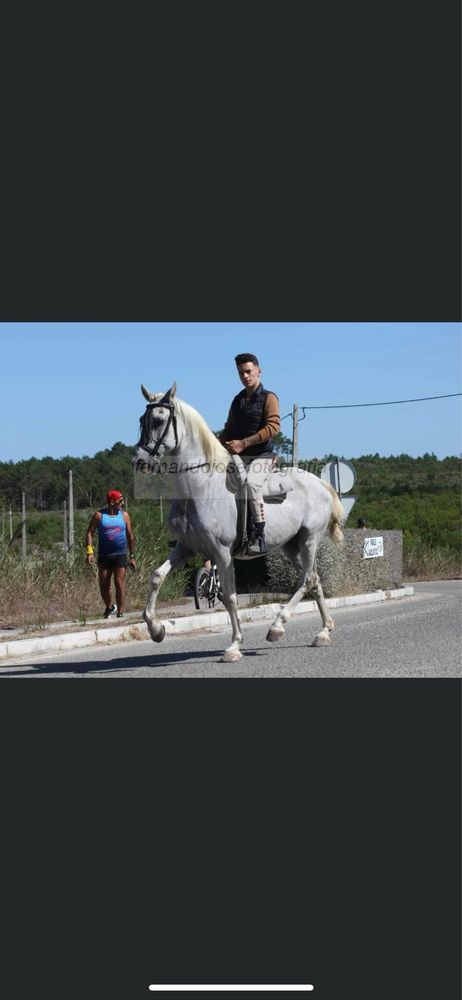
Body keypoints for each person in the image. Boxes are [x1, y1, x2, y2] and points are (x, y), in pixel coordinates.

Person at [220, 352, 280, 554]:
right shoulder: (237, 401)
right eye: (240, 373)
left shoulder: (269, 398)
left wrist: (243, 443)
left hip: (263, 456)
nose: (245, 376)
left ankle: (258, 535)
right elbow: (228, 429)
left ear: (258, 371)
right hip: (238, 457)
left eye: (248, 371)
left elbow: (273, 427)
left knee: (251, 483)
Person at [85, 490, 136, 618]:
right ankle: (109, 606)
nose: (122, 503)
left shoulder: (124, 516)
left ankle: (120, 612)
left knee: (119, 582)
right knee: (104, 586)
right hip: (104, 555)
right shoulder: (99, 516)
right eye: (120, 501)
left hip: (120, 554)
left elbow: (130, 536)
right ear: (112, 502)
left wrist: (132, 556)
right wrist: (89, 552)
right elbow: (89, 533)